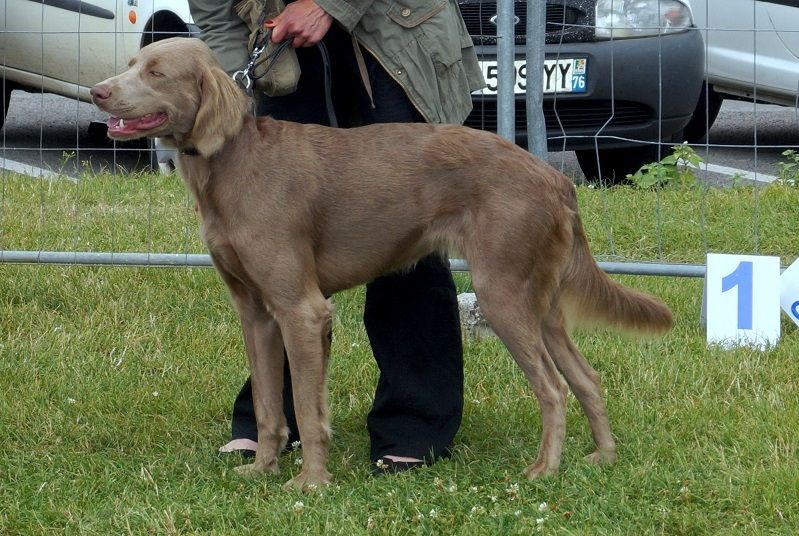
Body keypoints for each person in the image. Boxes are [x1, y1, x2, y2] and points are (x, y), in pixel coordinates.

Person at [187, 0, 485, 474]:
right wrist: (231, 91)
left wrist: (330, 5)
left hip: (395, 37)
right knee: (279, 255)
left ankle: (412, 422)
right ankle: (273, 423)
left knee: (406, 234)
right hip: (282, 49)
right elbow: (215, 10)